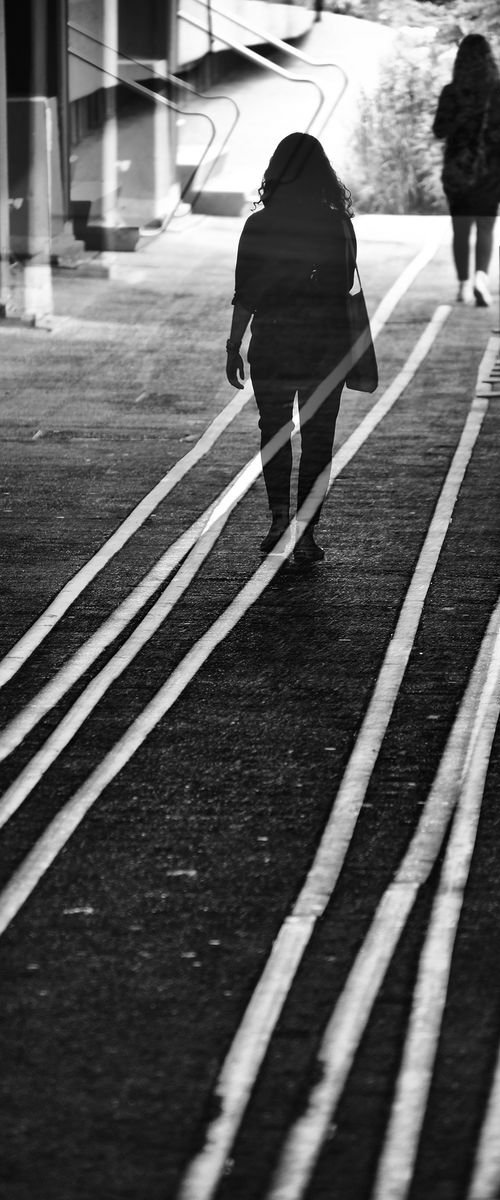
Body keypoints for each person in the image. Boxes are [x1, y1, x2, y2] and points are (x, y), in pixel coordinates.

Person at [225, 132, 356, 564]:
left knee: (275, 431)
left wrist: (234, 344)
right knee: (319, 440)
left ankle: (278, 521)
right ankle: (307, 533)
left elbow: (246, 292)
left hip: (275, 341)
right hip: (326, 345)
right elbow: (344, 286)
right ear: (323, 175)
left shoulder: (259, 224)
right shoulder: (338, 224)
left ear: (276, 173)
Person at [433, 33, 500, 306]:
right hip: (491, 169)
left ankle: (462, 285)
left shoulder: (452, 92)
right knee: (485, 226)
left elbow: (439, 130)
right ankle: (481, 279)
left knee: (460, 228)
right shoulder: (498, 91)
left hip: (458, 169)